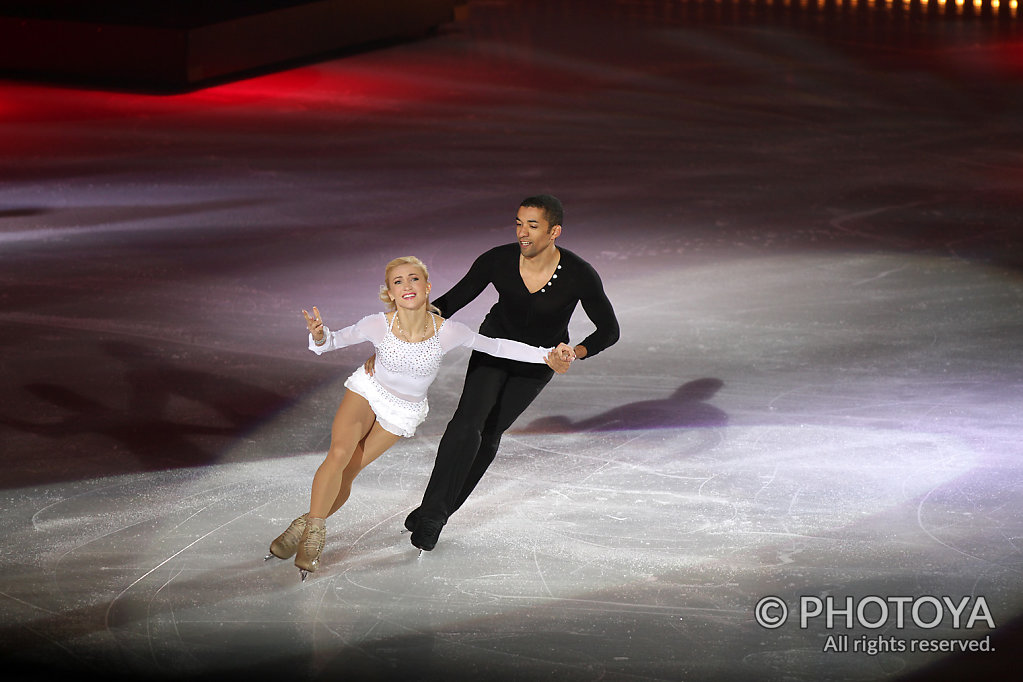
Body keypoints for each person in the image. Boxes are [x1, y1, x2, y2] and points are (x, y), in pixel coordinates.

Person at [266, 256, 574, 579]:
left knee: (348, 473)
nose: (406, 286)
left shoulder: (448, 331)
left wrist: (547, 355)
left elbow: (495, 346)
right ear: (390, 293)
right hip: (367, 392)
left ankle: (301, 524)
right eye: (397, 282)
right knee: (340, 454)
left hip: (401, 411)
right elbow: (331, 341)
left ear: (427, 287)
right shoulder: (376, 324)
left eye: (413, 279)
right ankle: (314, 535)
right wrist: (318, 334)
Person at [391, 194, 620, 551]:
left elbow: (609, 330)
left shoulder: (579, 274)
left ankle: (436, 510)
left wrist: (573, 353)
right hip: (493, 347)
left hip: (538, 361)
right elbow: (452, 301)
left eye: (532, 225)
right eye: (518, 223)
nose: (522, 232)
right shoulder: (497, 260)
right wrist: (418, 317)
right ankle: (434, 516)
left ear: (554, 231)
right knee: (467, 422)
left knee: (491, 430)